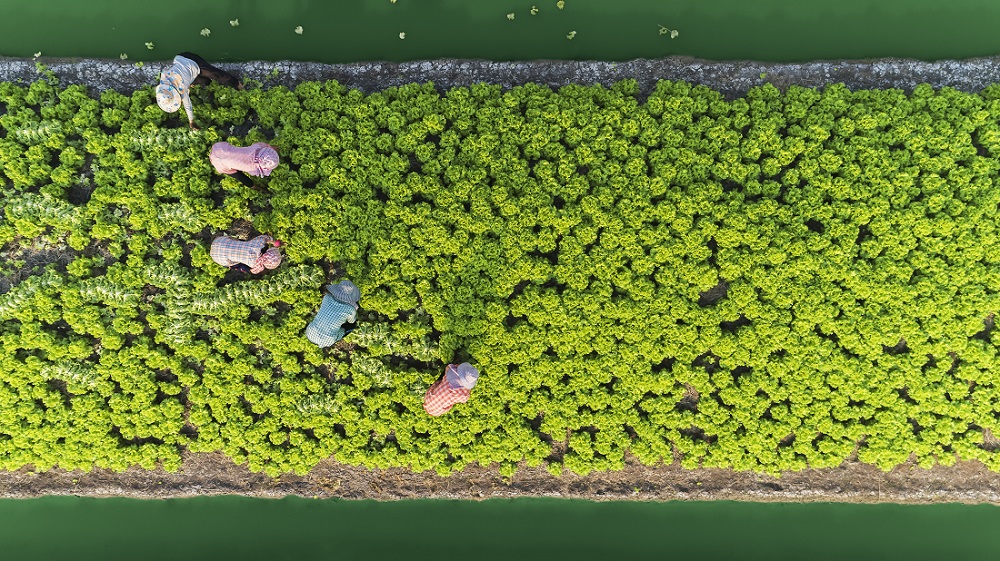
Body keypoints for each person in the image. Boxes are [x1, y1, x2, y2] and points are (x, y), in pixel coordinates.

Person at [156, 52, 243, 130]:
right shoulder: (162, 84)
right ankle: (199, 81)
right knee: (206, 82)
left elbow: (188, 106)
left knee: (216, 75)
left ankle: (238, 84)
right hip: (180, 61)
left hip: (193, 61)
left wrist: (191, 122)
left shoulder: (182, 89)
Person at [306, 280, 360, 347]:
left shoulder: (327, 297)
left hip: (310, 333)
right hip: (327, 340)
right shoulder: (351, 309)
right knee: (352, 326)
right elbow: (351, 322)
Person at [209, 142, 280, 187]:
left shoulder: (257, 147)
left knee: (234, 157)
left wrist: (272, 149)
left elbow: (266, 146)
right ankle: (254, 187)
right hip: (221, 164)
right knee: (242, 178)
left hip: (220, 148)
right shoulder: (252, 168)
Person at [210, 234, 282, 274]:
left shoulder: (258, 243)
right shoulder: (255, 264)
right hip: (218, 258)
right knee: (242, 267)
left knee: (240, 243)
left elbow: (266, 237)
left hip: (220, 241)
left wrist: (275, 243)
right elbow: (252, 271)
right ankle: (231, 266)